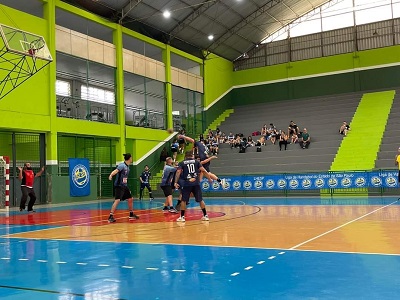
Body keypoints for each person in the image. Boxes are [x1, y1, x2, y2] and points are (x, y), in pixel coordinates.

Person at [174, 150, 213, 222]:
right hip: (196, 183)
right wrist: (209, 178)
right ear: (192, 156)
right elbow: (203, 170)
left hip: (187, 183)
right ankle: (205, 215)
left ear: (185, 156)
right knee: (200, 200)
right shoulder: (197, 162)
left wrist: (175, 182)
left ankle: (182, 217)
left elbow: (178, 172)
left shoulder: (182, 163)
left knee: (184, 200)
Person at [108, 153, 139, 223]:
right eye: (131, 157)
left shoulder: (128, 167)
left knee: (130, 198)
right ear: (130, 158)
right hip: (119, 186)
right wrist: (111, 175)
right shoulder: (122, 165)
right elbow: (116, 171)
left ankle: (131, 214)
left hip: (124, 186)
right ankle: (110, 216)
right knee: (117, 200)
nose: (132, 159)